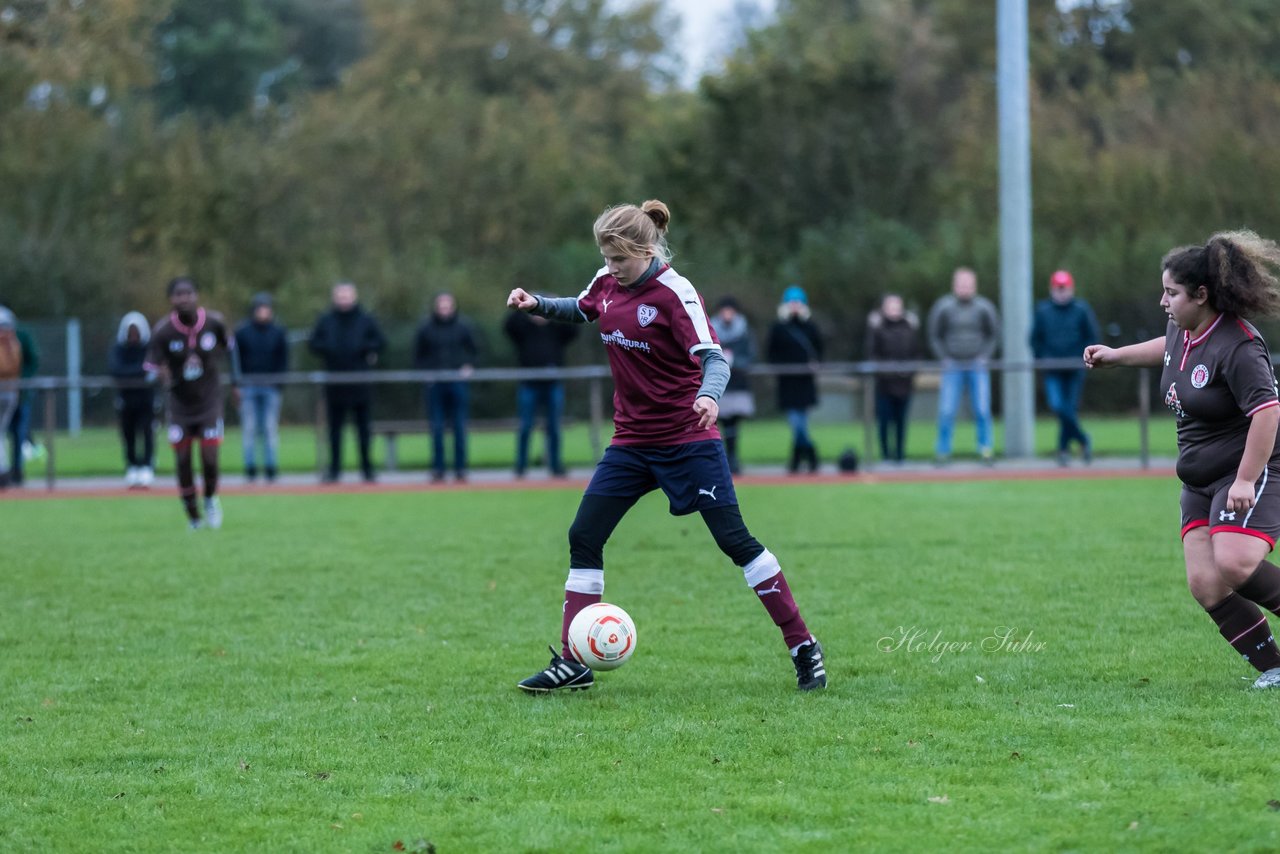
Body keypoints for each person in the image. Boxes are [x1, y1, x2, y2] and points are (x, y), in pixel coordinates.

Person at [506, 199, 826, 694]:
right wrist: (540, 305)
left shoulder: (678, 295)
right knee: (584, 534)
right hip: (632, 442)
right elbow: (585, 307)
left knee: (734, 542)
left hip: (687, 440)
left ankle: (802, 645)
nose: (611, 269)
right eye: (607, 259)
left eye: (620, 261)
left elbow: (715, 360)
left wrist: (708, 396)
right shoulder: (608, 281)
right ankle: (574, 661)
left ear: (647, 249)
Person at [1084, 229, 1280, 691]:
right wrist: (1117, 357)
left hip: (1243, 473)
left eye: (1171, 293)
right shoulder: (1184, 328)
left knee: (1234, 562)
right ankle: (1275, 667)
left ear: (1202, 294)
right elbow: (1167, 347)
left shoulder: (1238, 346)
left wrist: (1246, 480)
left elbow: (1269, 411)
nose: (1163, 302)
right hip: (1198, 480)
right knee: (1207, 584)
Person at [144, 278, 238, 529]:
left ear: (197, 295)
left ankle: (209, 499)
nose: (183, 298)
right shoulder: (163, 331)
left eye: (188, 293)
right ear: (171, 299)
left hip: (209, 402)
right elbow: (151, 367)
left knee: (209, 458)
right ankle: (193, 516)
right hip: (179, 406)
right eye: (178, 294)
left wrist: (237, 384)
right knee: (183, 460)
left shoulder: (214, 322)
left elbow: (231, 349)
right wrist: (161, 374)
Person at [309, 282, 386, 483]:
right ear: (335, 297)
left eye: (347, 295)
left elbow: (381, 342)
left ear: (354, 296)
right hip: (335, 383)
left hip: (360, 383)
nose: (344, 299)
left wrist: (365, 349)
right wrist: (330, 349)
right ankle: (334, 470)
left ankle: (367, 469)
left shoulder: (366, 319)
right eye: (340, 296)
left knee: (364, 429)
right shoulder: (326, 320)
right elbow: (314, 343)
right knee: (334, 429)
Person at [927, 267, 1000, 464]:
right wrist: (943, 357)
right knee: (947, 410)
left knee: (982, 409)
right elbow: (934, 335)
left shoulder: (984, 307)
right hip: (953, 366)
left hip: (977, 366)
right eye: (961, 284)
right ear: (954, 285)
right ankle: (943, 452)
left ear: (974, 285)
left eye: (968, 284)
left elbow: (993, 334)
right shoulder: (943, 307)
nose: (964, 288)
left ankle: (985, 449)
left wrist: (985, 356)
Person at [1031, 270, 1101, 466]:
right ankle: (1083, 440)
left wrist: (1084, 357)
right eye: (1058, 288)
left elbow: (1091, 335)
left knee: (1068, 408)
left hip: (1074, 367)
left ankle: (1063, 450)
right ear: (1052, 289)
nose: (1061, 292)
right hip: (1052, 368)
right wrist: (1044, 358)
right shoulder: (1043, 310)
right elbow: (1035, 339)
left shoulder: (1081, 309)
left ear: (1071, 288)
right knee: (1058, 405)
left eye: (1064, 288)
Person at [504, 296, 578, 477]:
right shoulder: (524, 330)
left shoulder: (556, 330)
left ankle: (555, 466)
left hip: (553, 384)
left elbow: (574, 327)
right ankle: (521, 466)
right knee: (525, 426)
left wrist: (556, 306)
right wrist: (520, 307)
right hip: (529, 384)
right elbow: (508, 326)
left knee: (553, 428)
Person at [413, 292, 479, 482]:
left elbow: (475, 351)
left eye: (447, 305)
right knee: (437, 427)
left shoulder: (462, 327)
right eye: (441, 305)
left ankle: (460, 469)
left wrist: (468, 366)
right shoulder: (426, 328)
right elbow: (417, 356)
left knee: (459, 426)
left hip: (458, 384)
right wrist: (426, 372)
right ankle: (438, 469)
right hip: (435, 385)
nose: (444, 309)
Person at [767, 285, 823, 473]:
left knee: (801, 423)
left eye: (798, 302)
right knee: (796, 424)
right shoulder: (778, 328)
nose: (795, 306)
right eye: (792, 302)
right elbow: (771, 353)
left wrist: (816, 364)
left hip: (805, 382)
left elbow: (819, 350)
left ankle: (797, 459)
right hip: (788, 383)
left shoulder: (810, 327)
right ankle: (810, 454)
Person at [234, 292, 289, 482]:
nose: (263, 312)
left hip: (271, 386)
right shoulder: (242, 332)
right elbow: (235, 360)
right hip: (248, 385)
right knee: (249, 428)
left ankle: (271, 468)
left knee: (269, 428)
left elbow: (283, 359)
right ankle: (250, 469)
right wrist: (237, 383)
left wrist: (279, 382)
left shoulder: (278, 332)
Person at [865, 293, 922, 463]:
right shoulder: (877, 329)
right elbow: (872, 354)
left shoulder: (909, 329)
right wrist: (887, 372)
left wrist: (910, 371)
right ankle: (885, 455)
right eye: (890, 306)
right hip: (884, 384)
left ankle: (900, 454)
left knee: (901, 421)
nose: (894, 310)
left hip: (905, 384)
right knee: (884, 421)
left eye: (897, 306)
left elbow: (917, 353)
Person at [709, 296, 756, 475]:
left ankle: (733, 458)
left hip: (738, 382)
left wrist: (735, 361)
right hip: (719, 384)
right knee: (720, 423)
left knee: (734, 423)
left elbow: (750, 355)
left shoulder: (744, 330)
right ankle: (723, 460)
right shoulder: (711, 328)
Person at [109, 312, 157, 488]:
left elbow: (151, 368)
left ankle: (147, 466)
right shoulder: (118, 349)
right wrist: (139, 372)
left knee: (147, 432)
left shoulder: (149, 348)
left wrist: (135, 372)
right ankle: (132, 465)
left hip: (146, 399)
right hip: (126, 399)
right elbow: (115, 370)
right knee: (127, 433)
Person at [7, 316, 38, 485]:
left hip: (19, 394)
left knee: (19, 432)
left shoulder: (21, 337)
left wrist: (21, 381)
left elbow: (33, 359)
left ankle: (17, 470)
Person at [0, 306, 21, 489]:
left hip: (7, 394)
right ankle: (4, 472)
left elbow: (7, 369)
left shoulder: (11, 346)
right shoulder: (14, 345)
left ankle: (3, 474)